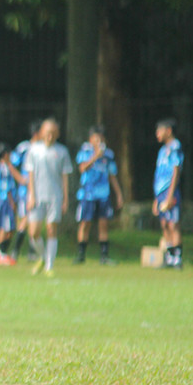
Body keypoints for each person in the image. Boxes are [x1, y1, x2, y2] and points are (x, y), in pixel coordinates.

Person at [25, 118, 73, 277]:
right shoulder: (34, 150)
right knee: (34, 232)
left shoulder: (62, 152)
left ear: (57, 134)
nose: (50, 136)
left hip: (55, 196)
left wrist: (65, 199)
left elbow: (65, 177)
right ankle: (43, 257)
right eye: (47, 133)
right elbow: (30, 175)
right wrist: (31, 196)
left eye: (53, 133)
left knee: (52, 229)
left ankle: (49, 266)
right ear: (41, 133)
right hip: (37, 196)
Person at [73, 125, 124, 265]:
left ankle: (104, 255)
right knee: (85, 223)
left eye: (101, 139)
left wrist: (118, 194)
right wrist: (95, 156)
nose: (99, 141)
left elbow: (112, 175)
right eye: (96, 138)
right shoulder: (85, 151)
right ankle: (81, 254)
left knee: (103, 224)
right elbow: (82, 168)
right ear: (90, 139)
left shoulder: (108, 155)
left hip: (103, 194)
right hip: (87, 194)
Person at [153, 118, 184, 269]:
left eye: (160, 130)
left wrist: (170, 195)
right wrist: (156, 199)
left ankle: (178, 258)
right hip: (160, 193)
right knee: (164, 224)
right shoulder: (162, 151)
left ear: (169, 131)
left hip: (170, 192)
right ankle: (170, 257)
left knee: (173, 224)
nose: (157, 134)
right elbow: (159, 174)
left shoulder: (175, 147)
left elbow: (176, 171)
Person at [8, 119, 42, 262]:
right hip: (25, 191)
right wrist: (20, 179)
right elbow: (10, 163)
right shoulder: (24, 148)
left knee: (35, 220)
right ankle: (17, 251)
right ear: (36, 133)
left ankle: (30, 252)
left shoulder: (44, 149)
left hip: (40, 190)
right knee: (26, 218)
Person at [0, 142, 18, 266]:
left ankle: (2, 253)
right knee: (6, 227)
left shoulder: (1, 166)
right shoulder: (5, 168)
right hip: (6, 200)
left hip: (3, 200)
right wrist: (12, 202)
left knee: (8, 227)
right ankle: (2, 253)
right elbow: (6, 187)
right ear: (6, 154)